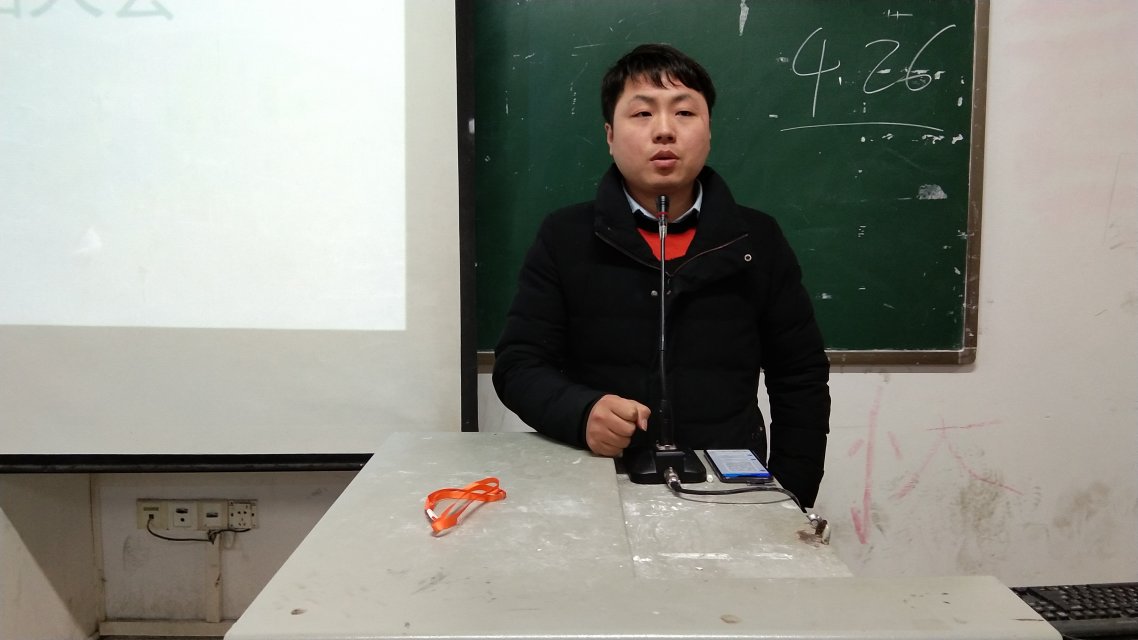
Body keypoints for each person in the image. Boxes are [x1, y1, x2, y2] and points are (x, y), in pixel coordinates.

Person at [492, 43, 831, 507]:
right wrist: (582, 413)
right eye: (642, 113)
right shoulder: (565, 236)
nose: (665, 130)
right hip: (595, 481)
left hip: (726, 488)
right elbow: (518, 366)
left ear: (709, 131)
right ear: (610, 135)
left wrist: (790, 495)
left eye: (685, 112)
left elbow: (800, 375)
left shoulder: (757, 239)